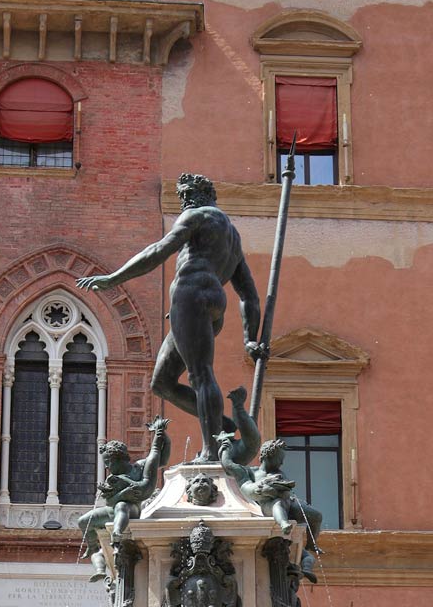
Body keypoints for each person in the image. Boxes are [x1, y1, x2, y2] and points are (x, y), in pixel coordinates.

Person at [76, 173, 264, 462]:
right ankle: (223, 426)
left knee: (201, 374)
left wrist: (114, 278)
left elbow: (158, 250)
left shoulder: (197, 216)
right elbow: (248, 294)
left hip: (190, 294)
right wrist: (250, 338)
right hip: (212, 302)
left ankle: (212, 452)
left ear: (203, 195)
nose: (184, 201)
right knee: (162, 383)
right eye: (182, 196)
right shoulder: (232, 237)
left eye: (187, 194)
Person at [216, 435, 322, 581]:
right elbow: (229, 466)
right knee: (277, 506)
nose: (282, 462)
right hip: (269, 505)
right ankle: (284, 525)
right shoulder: (251, 472)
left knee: (316, 516)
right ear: (268, 456)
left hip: (288, 503)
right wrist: (225, 448)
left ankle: (312, 544)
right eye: (280, 459)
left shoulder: (278, 473)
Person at [77, 417, 170, 581]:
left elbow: (159, 457)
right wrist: (123, 494)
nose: (106, 467)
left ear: (119, 459)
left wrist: (162, 435)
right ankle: (93, 546)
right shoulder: (111, 479)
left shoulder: (139, 468)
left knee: (122, 506)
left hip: (132, 510)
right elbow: (109, 502)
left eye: (108, 463)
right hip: (114, 510)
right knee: (84, 520)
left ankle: (117, 535)